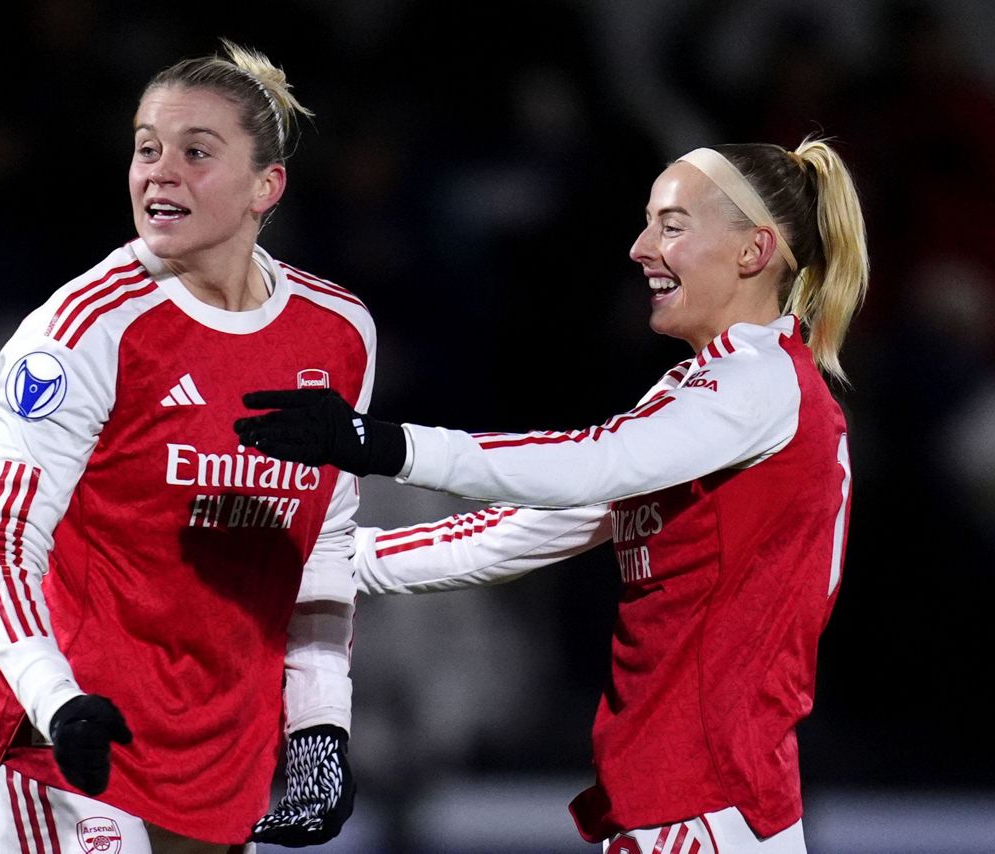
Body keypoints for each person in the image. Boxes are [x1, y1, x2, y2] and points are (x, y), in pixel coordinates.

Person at [236, 138, 869, 852]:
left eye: (671, 226)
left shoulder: (759, 382)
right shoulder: (704, 393)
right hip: (682, 799)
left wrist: (380, 444)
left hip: (707, 803)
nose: (640, 249)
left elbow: (591, 464)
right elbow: (525, 530)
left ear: (754, 251)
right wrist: (316, 561)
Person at [0, 41, 372, 854]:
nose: (159, 174)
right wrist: (56, 699)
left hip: (217, 773)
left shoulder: (339, 333)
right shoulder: (80, 330)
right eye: (147, 149)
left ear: (266, 187)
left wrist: (320, 724)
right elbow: (0, 543)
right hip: (60, 751)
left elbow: (322, 543)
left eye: (195, 153)